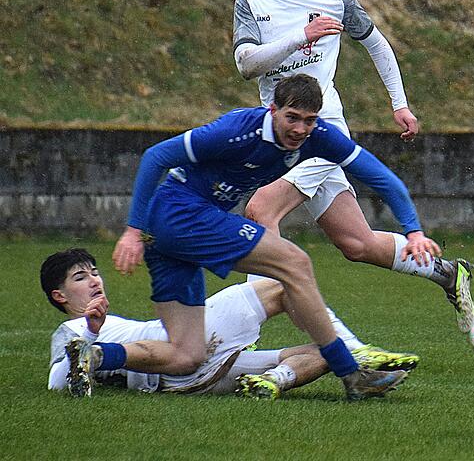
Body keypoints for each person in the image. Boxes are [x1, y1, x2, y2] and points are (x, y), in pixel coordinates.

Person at [104, 74, 444, 402]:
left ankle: (95, 357)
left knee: (186, 354)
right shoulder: (236, 131)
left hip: (173, 232)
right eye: (291, 118)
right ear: (272, 109)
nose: (299, 129)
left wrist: (413, 231)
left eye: (309, 121)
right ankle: (350, 371)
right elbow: (156, 156)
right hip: (180, 213)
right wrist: (134, 231)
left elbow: (381, 177)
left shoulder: (319, 136)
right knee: (295, 263)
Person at [232, 0, 474, 333]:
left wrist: (400, 104)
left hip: (322, 134)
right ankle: (448, 272)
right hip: (279, 137)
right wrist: (301, 37)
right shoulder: (251, 2)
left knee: (259, 209)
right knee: (357, 244)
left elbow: (378, 45)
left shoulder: (335, 0)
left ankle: (244, 333)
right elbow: (246, 64)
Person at [42, 248, 418, 398]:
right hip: (178, 351)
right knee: (281, 284)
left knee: (322, 352)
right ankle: (353, 353)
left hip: (191, 382)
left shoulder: (111, 325)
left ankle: (273, 381)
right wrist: (91, 335)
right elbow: (57, 381)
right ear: (60, 297)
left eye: (95, 273)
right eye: (80, 278)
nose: (95, 280)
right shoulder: (75, 331)